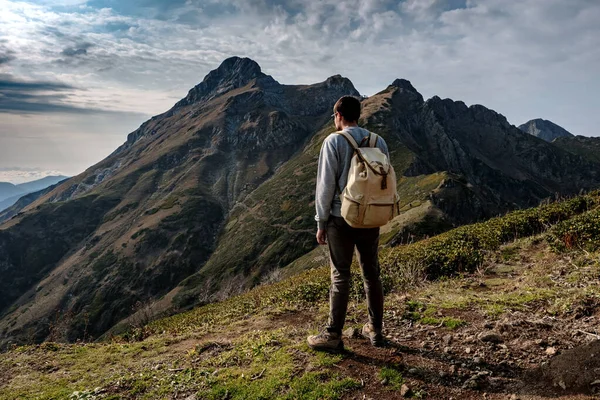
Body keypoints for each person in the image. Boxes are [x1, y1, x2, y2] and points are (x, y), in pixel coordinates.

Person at [307, 96, 389, 351]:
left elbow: (325, 186)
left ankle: (333, 335)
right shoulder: (379, 141)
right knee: (371, 273)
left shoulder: (334, 141)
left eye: (334, 116)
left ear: (339, 115)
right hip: (370, 217)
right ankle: (375, 330)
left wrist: (321, 222)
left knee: (340, 275)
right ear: (359, 115)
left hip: (340, 218)